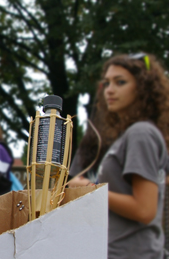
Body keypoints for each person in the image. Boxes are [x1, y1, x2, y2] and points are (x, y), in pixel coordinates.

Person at [69, 53, 169, 259]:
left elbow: (144, 210)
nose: (110, 90)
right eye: (106, 83)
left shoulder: (141, 134)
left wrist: (89, 190)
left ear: (143, 87)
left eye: (120, 82)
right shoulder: (131, 135)